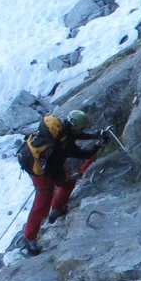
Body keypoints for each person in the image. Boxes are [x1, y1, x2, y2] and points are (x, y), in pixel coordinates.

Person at [16, 109, 99, 254]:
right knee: (42, 205)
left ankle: (57, 209)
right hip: (42, 173)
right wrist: (98, 144)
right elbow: (83, 153)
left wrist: (95, 135)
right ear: (77, 127)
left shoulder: (59, 128)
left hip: (39, 163)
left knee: (67, 183)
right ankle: (29, 238)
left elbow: (74, 136)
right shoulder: (63, 144)